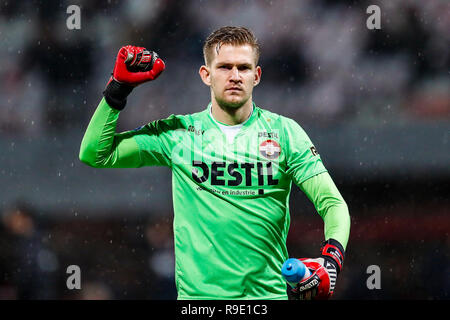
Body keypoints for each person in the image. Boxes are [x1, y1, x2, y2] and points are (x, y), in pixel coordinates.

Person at [79, 26, 350, 300]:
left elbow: (332, 203)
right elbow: (95, 153)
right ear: (205, 75)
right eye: (224, 67)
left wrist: (331, 261)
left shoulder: (286, 133)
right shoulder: (178, 134)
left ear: (256, 76)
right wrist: (118, 90)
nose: (234, 76)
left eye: (243, 68)